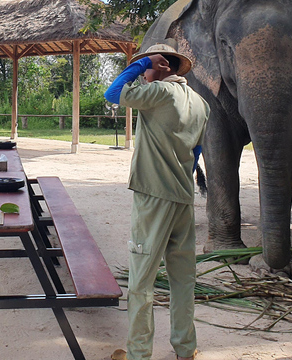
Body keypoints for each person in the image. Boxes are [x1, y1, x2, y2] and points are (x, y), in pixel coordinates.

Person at [104, 43, 210, 360]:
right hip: (182, 198)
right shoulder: (200, 103)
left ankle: (138, 353)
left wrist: (143, 65)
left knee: (141, 281)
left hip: (154, 198)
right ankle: (185, 349)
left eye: (148, 66)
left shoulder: (160, 93)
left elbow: (113, 93)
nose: (143, 72)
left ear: (163, 67)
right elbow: (197, 154)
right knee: (182, 279)